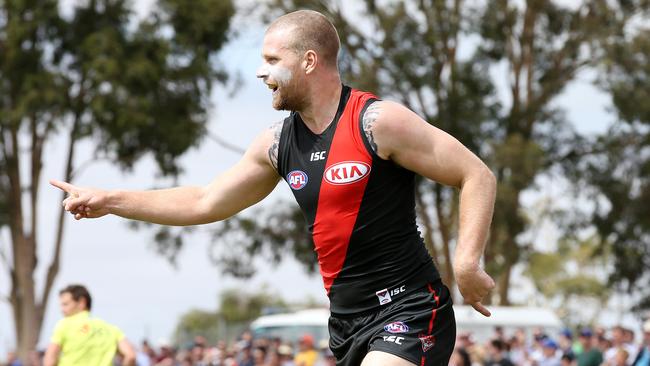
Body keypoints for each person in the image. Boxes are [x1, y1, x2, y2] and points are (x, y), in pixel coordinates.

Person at [50, 9, 496, 366]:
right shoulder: (277, 143)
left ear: (308, 60)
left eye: (271, 60)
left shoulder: (378, 121)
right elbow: (205, 201)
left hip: (411, 310)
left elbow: (476, 174)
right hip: (345, 324)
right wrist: (111, 200)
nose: (261, 74)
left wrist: (466, 263)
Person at [43, 284, 136, 366]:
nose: (62, 309)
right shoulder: (112, 329)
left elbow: (50, 360)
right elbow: (130, 356)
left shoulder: (64, 325)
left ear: (82, 302)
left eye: (66, 304)